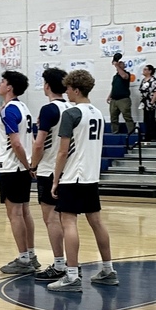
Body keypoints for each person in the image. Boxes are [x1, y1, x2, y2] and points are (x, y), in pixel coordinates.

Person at [47, 69, 118, 291]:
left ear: (76, 90)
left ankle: (71, 276)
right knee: (96, 222)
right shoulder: (98, 112)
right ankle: (108, 269)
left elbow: (62, 152)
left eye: (68, 89)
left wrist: (56, 179)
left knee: (68, 223)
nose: (66, 93)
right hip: (91, 176)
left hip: (73, 175)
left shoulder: (71, 114)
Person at [0, 71, 40, 275]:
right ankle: (30, 255)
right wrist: (31, 164)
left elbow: (15, 142)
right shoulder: (25, 108)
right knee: (24, 212)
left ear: (10, 87)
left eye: (3, 81)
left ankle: (23, 259)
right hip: (23, 167)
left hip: (13, 167)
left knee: (14, 214)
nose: (0, 84)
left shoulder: (8, 110)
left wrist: (27, 164)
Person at [29, 67, 71, 282]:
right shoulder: (72, 107)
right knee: (68, 220)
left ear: (47, 85)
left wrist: (32, 166)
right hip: (69, 170)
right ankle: (72, 264)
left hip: (48, 169)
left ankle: (59, 264)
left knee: (51, 218)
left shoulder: (49, 110)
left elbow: (39, 144)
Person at [106, 52, 134, 135]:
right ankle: (115, 132)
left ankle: (131, 132)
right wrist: (109, 96)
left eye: (121, 63)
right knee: (113, 117)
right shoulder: (115, 76)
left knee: (127, 116)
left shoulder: (127, 74)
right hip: (114, 99)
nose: (119, 64)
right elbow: (114, 87)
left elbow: (124, 76)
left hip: (123, 99)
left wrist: (116, 65)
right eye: (119, 63)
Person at [138, 64, 156, 141]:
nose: (143, 71)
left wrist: (152, 103)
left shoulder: (153, 81)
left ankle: (154, 136)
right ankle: (147, 135)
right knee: (146, 119)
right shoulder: (143, 80)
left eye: (145, 69)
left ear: (150, 71)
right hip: (144, 102)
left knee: (151, 119)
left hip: (151, 101)